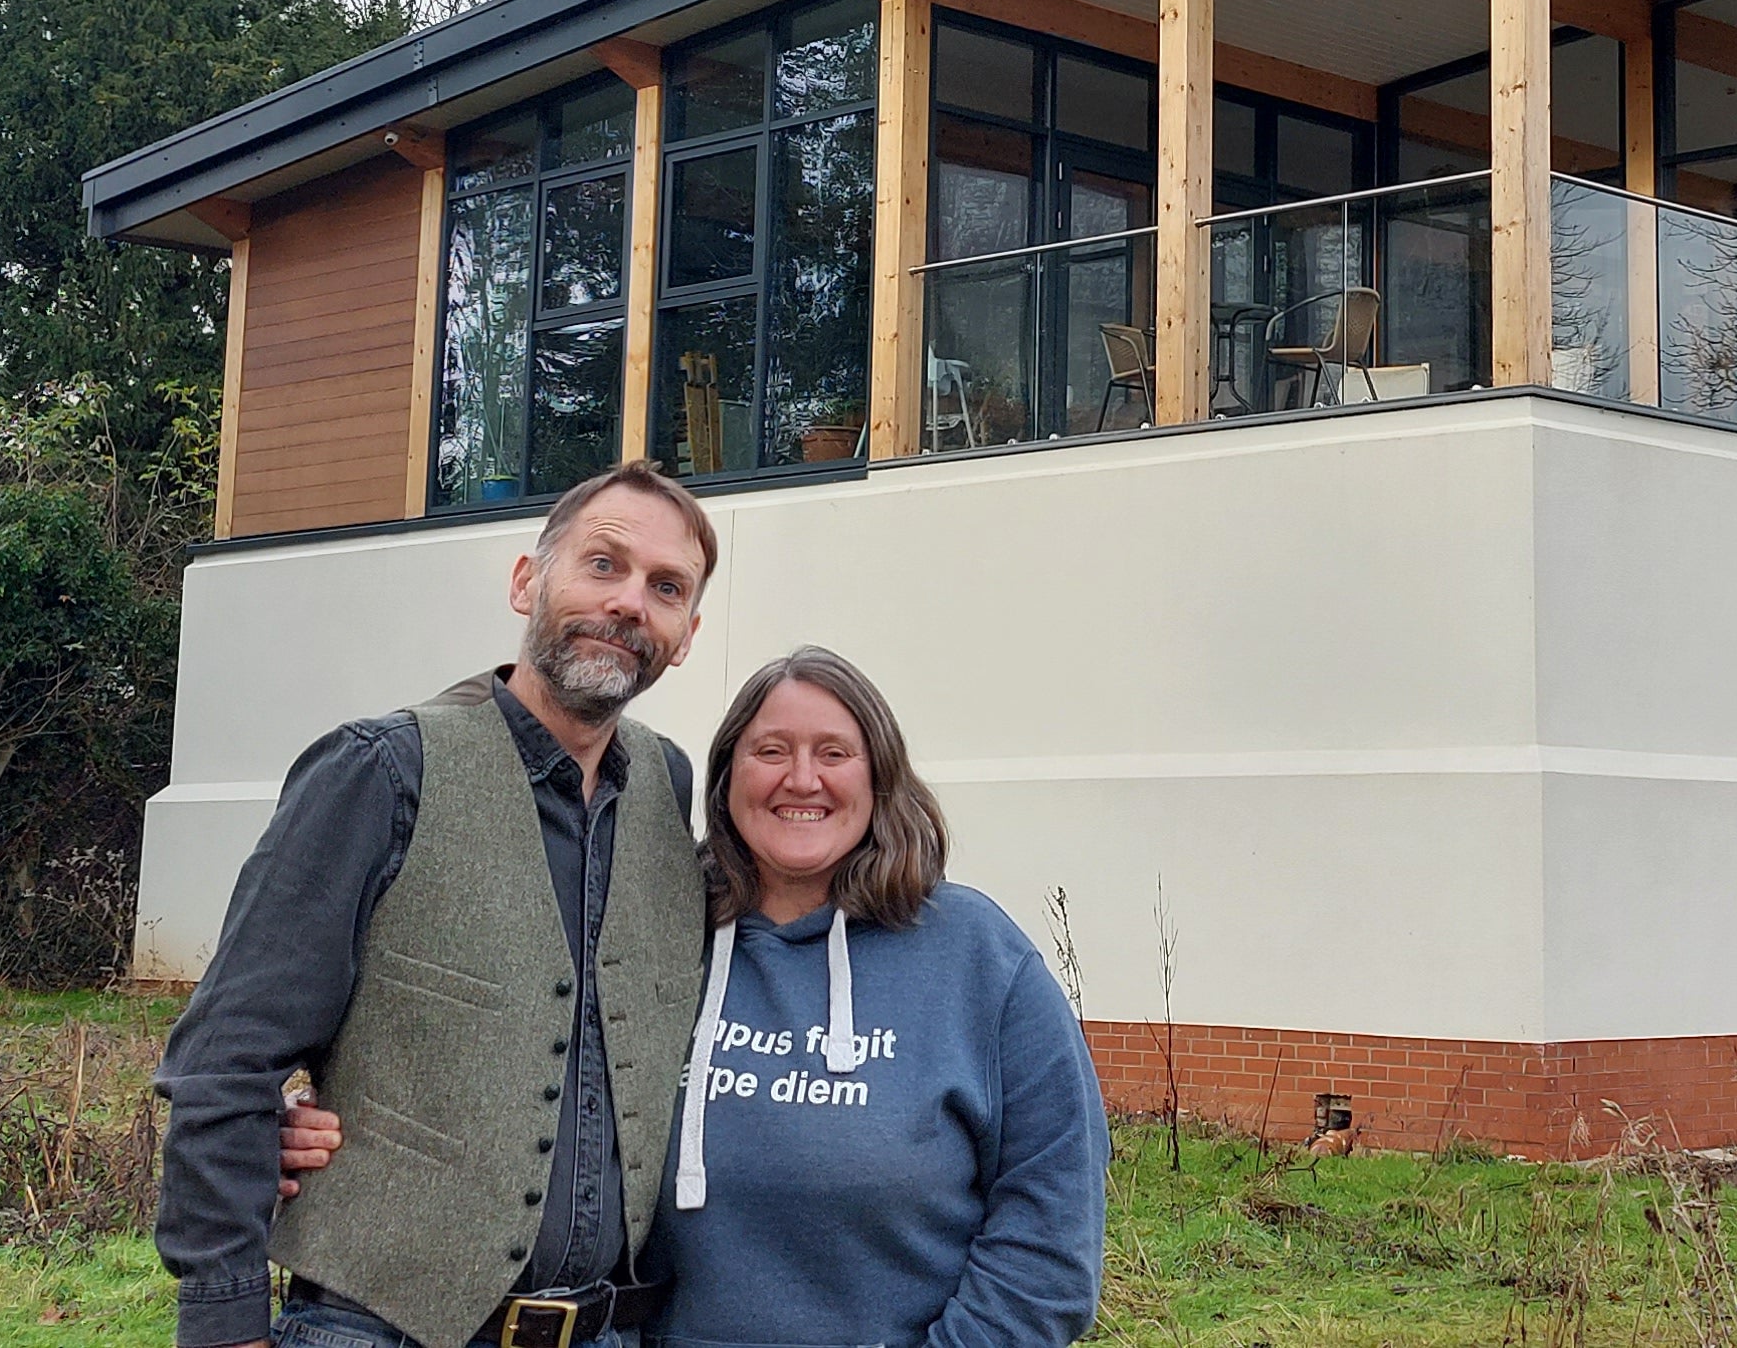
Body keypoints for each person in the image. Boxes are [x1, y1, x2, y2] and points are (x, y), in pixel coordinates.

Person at [285, 646, 1109, 1347]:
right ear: (726, 777)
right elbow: (509, 1073)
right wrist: (311, 1125)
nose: (802, 779)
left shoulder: (974, 953)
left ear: (880, 774)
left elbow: (1050, 1222)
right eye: (771, 750)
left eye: (834, 752)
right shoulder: (648, 930)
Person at [155, 459, 721, 1348]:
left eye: (666, 587)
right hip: (373, 1329)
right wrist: (225, 1323)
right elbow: (226, 1056)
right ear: (527, 580)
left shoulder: (668, 787)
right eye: (602, 565)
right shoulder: (379, 771)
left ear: (686, 633)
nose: (628, 603)